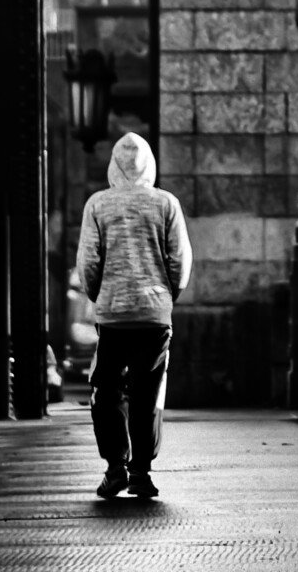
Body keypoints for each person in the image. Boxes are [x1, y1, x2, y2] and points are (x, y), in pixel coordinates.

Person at [75, 132, 192, 499]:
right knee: (147, 392)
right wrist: (165, 295)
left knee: (106, 390)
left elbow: (88, 262)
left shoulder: (98, 204)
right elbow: (180, 261)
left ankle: (114, 468)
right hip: (154, 316)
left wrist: (100, 296)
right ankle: (141, 470)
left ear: (114, 164)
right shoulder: (166, 203)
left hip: (112, 316)